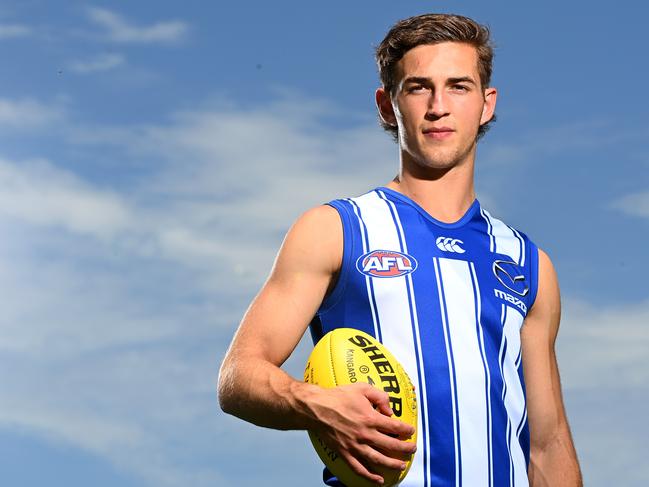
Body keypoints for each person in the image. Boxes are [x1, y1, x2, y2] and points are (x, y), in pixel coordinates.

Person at [218, 13, 582, 487]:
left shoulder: (529, 264)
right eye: (417, 88)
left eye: (458, 86)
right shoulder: (336, 229)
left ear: (486, 104)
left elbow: (547, 445)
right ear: (388, 105)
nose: (438, 106)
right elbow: (238, 376)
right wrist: (314, 402)